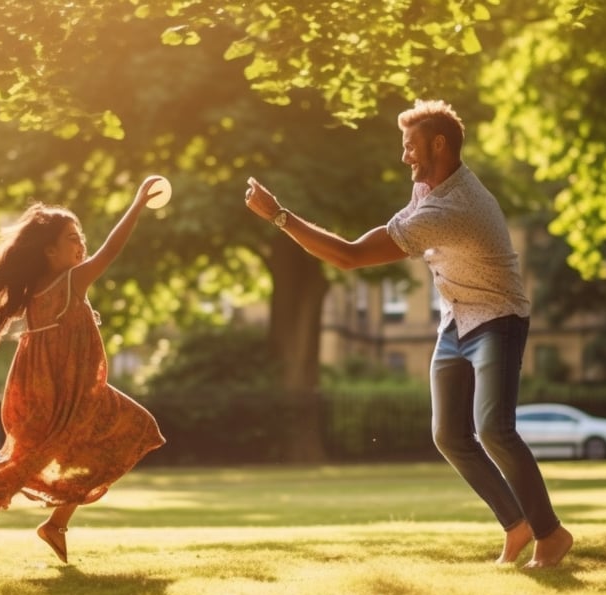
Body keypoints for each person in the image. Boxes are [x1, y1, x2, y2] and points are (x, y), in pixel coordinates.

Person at [243, 100, 573, 568]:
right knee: (449, 435)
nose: (404, 157)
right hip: (455, 321)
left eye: (410, 146)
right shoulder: (427, 191)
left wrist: (279, 216)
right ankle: (516, 525)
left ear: (438, 144)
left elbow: (350, 256)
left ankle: (551, 534)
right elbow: (369, 241)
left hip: (497, 318)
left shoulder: (454, 207)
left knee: (493, 430)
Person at [0, 177, 167, 563]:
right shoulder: (70, 281)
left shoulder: (38, 287)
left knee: (92, 442)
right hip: (62, 389)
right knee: (46, 450)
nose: (80, 244)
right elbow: (111, 250)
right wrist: (137, 204)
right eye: (72, 238)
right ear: (50, 250)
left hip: (69, 388)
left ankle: (52, 524)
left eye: (80, 236)